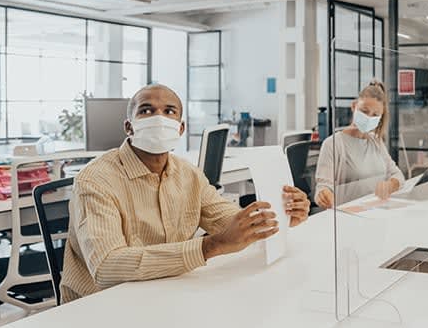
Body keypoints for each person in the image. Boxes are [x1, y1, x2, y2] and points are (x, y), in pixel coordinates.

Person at [60, 84, 311, 303]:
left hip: (165, 292)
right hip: (100, 308)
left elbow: (230, 222)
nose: (158, 117)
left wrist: (279, 215)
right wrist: (210, 246)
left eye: (169, 111)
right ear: (129, 126)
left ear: (180, 129)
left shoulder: (188, 174)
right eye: (146, 110)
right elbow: (107, 267)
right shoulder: (96, 179)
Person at [315, 79, 405, 208]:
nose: (369, 117)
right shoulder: (333, 144)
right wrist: (324, 195)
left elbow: (397, 175)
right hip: (348, 215)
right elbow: (323, 187)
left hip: (377, 210)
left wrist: (390, 185)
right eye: (364, 111)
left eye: (375, 115)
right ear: (354, 106)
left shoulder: (376, 141)